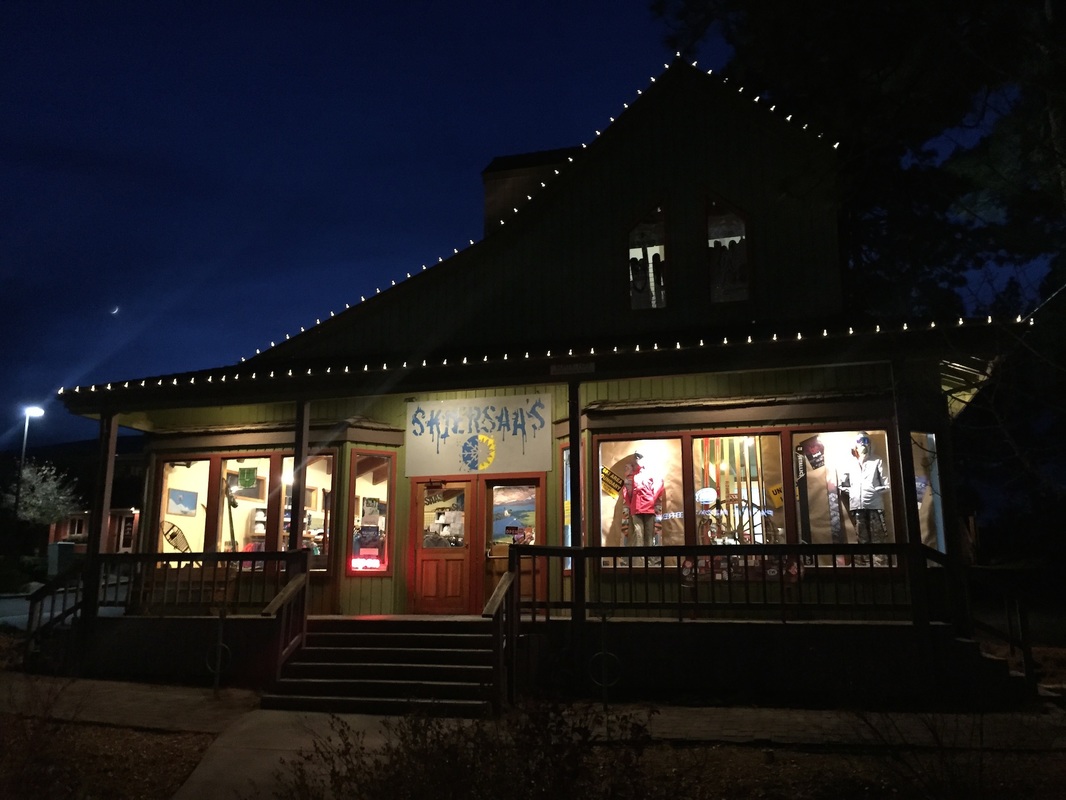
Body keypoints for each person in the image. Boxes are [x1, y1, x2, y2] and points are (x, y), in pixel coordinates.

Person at [839, 432, 889, 565]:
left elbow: (887, 483)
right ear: (855, 445)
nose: (863, 444)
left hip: (875, 506)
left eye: (866, 440)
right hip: (857, 506)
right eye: (860, 441)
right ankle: (865, 565)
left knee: (878, 536)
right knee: (862, 537)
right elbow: (842, 484)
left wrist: (874, 490)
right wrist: (853, 492)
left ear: (870, 442)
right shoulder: (850, 463)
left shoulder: (877, 460)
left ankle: (880, 565)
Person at [621, 453, 664, 551]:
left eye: (640, 457)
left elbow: (659, 485)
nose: (638, 460)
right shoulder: (632, 474)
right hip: (636, 508)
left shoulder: (651, 473)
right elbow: (626, 490)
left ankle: (649, 562)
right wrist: (630, 504)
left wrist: (652, 499)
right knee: (638, 535)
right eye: (636, 458)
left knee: (649, 535)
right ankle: (639, 562)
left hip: (648, 507)